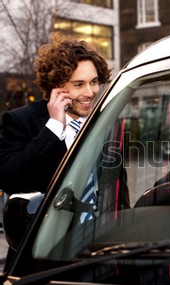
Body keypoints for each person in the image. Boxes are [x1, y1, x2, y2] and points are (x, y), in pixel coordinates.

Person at [0, 33, 112, 196]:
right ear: (56, 85)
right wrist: (53, 128)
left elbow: (116, 183)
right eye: (79, 84)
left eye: (94, 82)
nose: (90, 92)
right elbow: (8, 180)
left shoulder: (103, 118)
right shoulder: (21, 120)